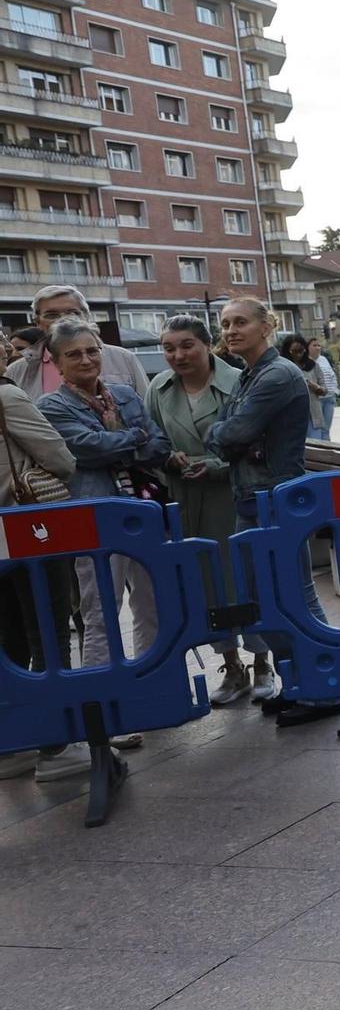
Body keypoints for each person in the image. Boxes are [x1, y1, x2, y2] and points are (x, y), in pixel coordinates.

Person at [208, 297, 340, 725]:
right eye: (226, 323)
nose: (231, 330)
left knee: (296, 597)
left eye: (241, 322)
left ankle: (326, 688)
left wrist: (228, 438)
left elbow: (233, 432)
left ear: (267, 326)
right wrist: (229, 438)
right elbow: (230, 435)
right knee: (264, 602)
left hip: (276, 501)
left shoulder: (278, 374)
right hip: (251, 498)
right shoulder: (250, 375)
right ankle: (301, 681)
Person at [37, 319, 167, 751]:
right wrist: (128, 438)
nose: (86, 359)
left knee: (151, 607)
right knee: (100, 615)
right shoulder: (51, 407)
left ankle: (148, 696)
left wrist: (116, 440)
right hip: (92, 520)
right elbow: (83, 450)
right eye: (73, 354)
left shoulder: (126, 394)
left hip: (142, 514)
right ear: (56, 363)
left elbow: (159, 445)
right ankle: (106, 712)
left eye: (91, 350)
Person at [146, 316, 275, 706]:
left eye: (187, 345)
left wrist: (216, 465)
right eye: (169, 348)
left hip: (230, 495)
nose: (178, 355)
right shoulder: (158, 387)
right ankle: (231, 667)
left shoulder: (238, 381)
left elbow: (256, 443)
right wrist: (166, 458)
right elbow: (150, 437)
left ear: (206, 345)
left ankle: (263, 662)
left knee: (244, 580)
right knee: (206, 587)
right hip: (185, 499)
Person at [0, 372, 86, 782]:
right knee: (49, 635)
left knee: (10, 640)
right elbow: (61, 459)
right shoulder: (7, 396)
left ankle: (12, 743)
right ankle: (58, 745)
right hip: (28, 528)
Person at [6, 285, 148, 402]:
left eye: (72, 313)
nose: (63, 320)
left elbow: (149, 410)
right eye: (51, 315)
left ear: (86, 317)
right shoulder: (16, 371)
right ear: (37, 322)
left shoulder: (124, 359)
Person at [307, 338, 338, 439]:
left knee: (326, 429)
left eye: (318, 345)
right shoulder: (307, 362)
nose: (317, 348)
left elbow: (332, 375)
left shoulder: (324, 360)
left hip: (329, 398)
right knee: (317, 428)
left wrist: (335, 391)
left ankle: (327, 449)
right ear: (308, 347)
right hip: (316, 400)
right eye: (314, 345)